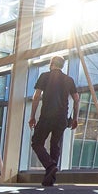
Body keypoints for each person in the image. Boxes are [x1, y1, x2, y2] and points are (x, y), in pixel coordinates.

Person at [28, 55, 79, 186]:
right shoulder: (69, 80)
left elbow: (36, 97)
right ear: (62, 65)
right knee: (55, 145)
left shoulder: (44, 76)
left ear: (51, 63)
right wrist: (75, 118)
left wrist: (32, 116)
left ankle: (50, 165)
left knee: (36, 142)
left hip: (47, 116)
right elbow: (76, 99)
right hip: (62, 118)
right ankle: (50, 179)